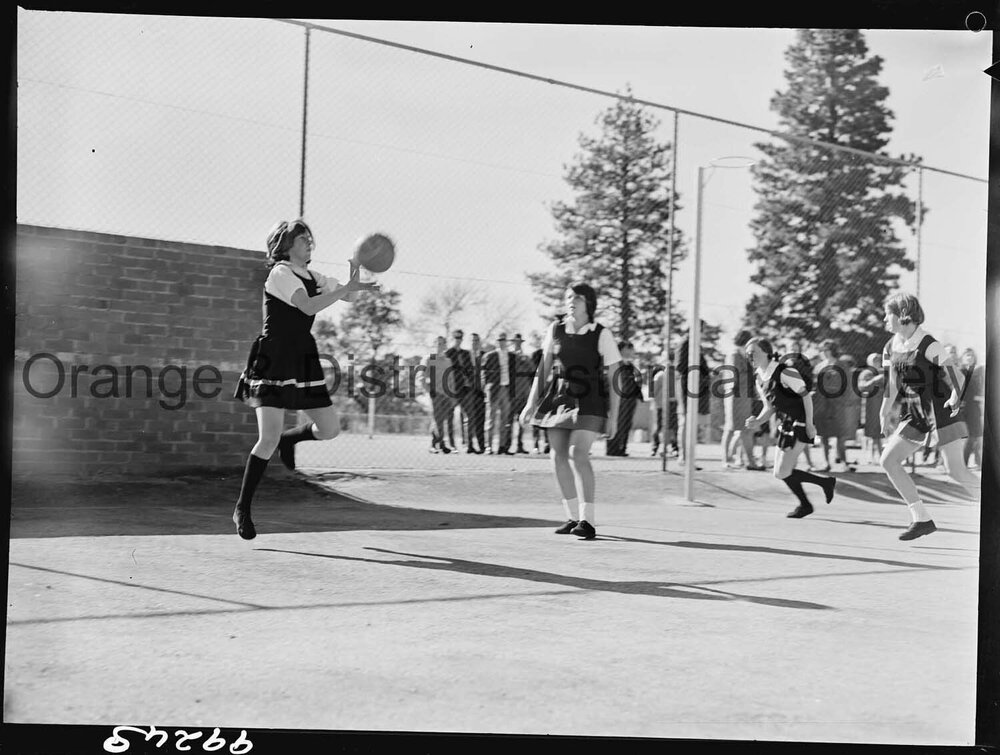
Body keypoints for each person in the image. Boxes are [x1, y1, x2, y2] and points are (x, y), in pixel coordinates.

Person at [232, 219, 377, 539]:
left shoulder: (315, 277)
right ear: (286, 245)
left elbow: (349, 298)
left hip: (303, 357)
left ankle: (291, 439)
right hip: (274, 357)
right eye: (302, 238)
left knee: (330, 429)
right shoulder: (280, 274)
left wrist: (356, 272)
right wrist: (344, 289)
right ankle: (243, 508)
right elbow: (308, 306)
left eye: (310, 238)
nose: (309, 242)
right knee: (267, 438)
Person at [519, 283, 621, 540]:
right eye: (568, 298)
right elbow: (543, 368)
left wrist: (614, 417)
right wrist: (531, 403)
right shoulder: (555, 329)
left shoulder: (601, 333)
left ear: (589, 303)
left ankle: (588, 521)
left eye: (577, 298)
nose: (570, 302)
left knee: (578, 453)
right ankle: (573, 517)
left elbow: (615, 376)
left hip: (591, 400)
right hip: (560, 398)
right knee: (557, 456)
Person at [877, 293, 981, 540]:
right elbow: (892, 382)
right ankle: (921, 519)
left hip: (940, 410)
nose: (884, 319)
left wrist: (954, 397)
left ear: (903, 315)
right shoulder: (891, 346)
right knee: (888, 461)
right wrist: (884, 411)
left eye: (888, 314)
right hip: (915, 412)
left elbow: (958, 377)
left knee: (956, 471)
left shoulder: (928, 344)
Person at [744, 337, 837, 518]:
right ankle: (822, 486)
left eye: (753, 353)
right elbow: (769, 407)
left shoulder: (785, 371)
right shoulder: (759, 377)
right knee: (779, 473)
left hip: (800, 423)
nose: (750, 356)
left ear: (766, 352)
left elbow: (806, 397)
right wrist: (758, 421)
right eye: (747, 354)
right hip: (785, 424)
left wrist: (809, 424)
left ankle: (809, 501)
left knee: (782, 472)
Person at [720, 329, 758, 469]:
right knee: (730, 428)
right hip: (735, 396)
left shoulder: (745, 356)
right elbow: (732, 377)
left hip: (745, 396)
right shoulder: (734, 354)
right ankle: (725, 460)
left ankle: (750, 462)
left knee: (746, 429)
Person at [675, 329, 711, 467]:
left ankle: (688, 457)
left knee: (692, 421)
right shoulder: (685, 343)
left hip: (697, 387)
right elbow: (680, 366)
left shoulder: (695, 343)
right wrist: (696, 374)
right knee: (686, 420)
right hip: (688, 386)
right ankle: (683, 457)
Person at [606, 341, 643, 456]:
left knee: (626, 424)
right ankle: (613, 449)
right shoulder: (615, 364)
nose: (632, 351)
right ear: (622, 350)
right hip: (619, 399)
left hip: (630, 400)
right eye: (629, 349)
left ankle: (622, 448)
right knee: (617, 422)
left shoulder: (630, 366)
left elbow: (635, 382)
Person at [421, 336, 456, 454]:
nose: (440, 346)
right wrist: (428, 389)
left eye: (442, 343)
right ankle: (439, 444)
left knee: (441, 420)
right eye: (438, 343)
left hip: (446, 394)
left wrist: (452, 395)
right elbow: (421, 376)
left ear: (445, 345)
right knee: (437, 419)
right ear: (434, 344)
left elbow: (451, 379)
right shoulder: (428, 359)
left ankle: (436, 444)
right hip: (435, 394)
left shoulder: (448, 361)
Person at [483, 332, 515, 454]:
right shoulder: (490, 355)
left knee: (505, 420)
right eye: (499, 340)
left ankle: (502, 447)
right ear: (497, 342)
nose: (502, 342)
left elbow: (513, 374)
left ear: (506, 342)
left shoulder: (511, 356)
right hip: (494, 389)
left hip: (506, 389)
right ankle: (488, 446)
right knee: (491, 418)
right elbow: (484, 373)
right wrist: (486, 387)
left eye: (503, 340)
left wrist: (512, 391)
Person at [857, 352, 886, 463]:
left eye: (878, 360)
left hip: (882, 406)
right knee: (872, 434)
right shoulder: (866, 373)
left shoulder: (885, 372)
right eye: (874, 360)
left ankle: (879, 457)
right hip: (871, 407)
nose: (877, 362)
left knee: (879, 433)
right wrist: (875, 380)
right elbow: (862, 387)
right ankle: (873, 457)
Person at [509, 333, 534, 454]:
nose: (518, 344)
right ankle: (507, 445)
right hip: (512, 392)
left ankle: (520, 444)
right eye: (516, 342)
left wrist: (524, 359)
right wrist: (516, 357)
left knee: (521, 420)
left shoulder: (526, 357)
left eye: (519, 342)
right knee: (509, 420)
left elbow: (532, 369)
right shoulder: (509, 356)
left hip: (524, 392)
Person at [959, 348, 984, 469]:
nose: (970, 358)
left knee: (975, 436)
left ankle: (971, 463)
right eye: (967, 355)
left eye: (972, 356)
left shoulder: (978, 372)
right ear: (962, 358)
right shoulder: (960, 372)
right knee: (968, 437)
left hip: (974, 408)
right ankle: (963, 463)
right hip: (964, 408)